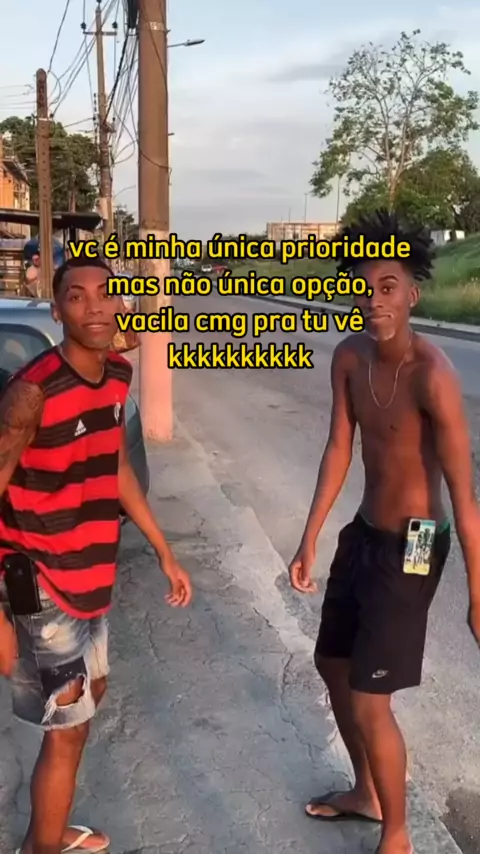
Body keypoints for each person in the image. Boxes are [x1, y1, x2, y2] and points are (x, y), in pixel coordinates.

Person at [289, 209, 480, 854]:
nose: (374, 299)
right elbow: (338, 447)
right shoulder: (348, 357)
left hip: (418, 544)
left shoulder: (434, 375)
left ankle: (397, 837)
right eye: (363, 287)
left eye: (388, 287)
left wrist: (478, 595)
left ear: (412, 295)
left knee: (373, 699)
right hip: (366, 534)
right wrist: (310, 537)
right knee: (332, 663)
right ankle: (367, 792)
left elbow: (464, 496)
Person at [0, 255, 192, 854]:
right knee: (68, 731)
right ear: (57, 310)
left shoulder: (116, 375)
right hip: (42, 585)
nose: (94, 307)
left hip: (91, 577)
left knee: (91, 698)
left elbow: (114, 466)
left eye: (106, 294)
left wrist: (163, 550)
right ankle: (42, 846)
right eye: (76, 296)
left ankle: (48, 829)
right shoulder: (30, 393)